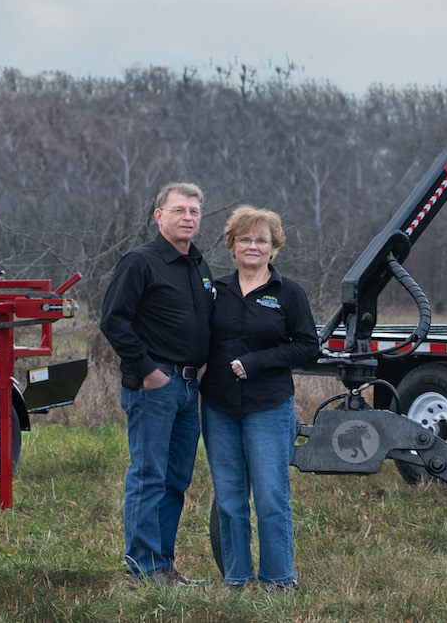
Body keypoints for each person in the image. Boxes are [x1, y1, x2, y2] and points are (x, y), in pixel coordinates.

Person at [99, 182, 215, 586]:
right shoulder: (141, 262)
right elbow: (114, 321)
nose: (188, 217)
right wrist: (150, 371)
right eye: (180, 210)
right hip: (155, 387)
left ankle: (163, 567)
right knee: (149, 476)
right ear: (159, 215)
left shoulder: (199, 264)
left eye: (195, 211)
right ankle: (143, 570)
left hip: (188, 387)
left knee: (176, 481)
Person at [200, 205, 317, 590]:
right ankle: (236, 578)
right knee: (231, 500)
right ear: (232, 246)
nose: (253, 246)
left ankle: (278, 580)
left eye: (261, 240)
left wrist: (257, 362)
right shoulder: (214, 291)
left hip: (268, 407)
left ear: (274, 248)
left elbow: (307, 346)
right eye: (245, 239)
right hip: (218, 407)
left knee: (270, 497)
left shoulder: (289, 293)